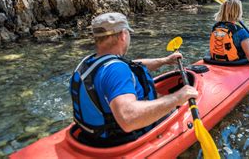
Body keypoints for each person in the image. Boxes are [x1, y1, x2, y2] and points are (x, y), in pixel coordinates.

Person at [70, 12, 198, 147]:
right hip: (118, 140)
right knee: (178, 104)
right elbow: (128, 119)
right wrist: (177, 98)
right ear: (122, 35)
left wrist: (163, 61)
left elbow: (132, 65)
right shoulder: (116, 70)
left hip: (92, 135)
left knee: (160, 95)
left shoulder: (90, 62)